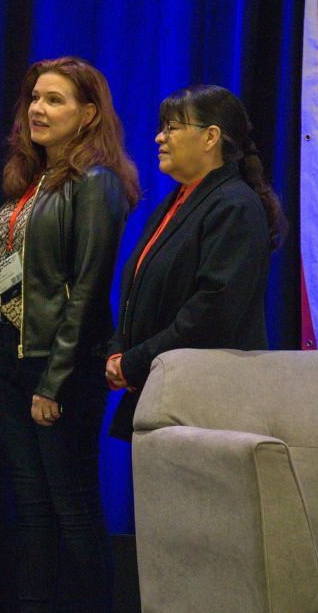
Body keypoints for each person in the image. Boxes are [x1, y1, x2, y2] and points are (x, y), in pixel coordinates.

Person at [0, 56, 139, 613]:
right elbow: (5, 286)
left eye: (55, 100)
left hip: (61, 369)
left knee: (72, 507)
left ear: (88, 113)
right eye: (34, 99)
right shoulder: (31, 183)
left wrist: (56, 380)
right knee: (33, 508)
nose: (38, 110)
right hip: (15, 367)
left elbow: (88, 292)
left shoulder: (96, 184)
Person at [106, 83, 287, 438]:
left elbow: (212, 311)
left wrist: (135, 361)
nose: (159, 137)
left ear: (211, 137)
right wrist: (120, 352)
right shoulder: (178, 201)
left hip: (208, 404)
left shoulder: (234, 205)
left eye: (172, 128)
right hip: (167, 390)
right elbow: (140, 292)